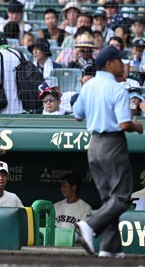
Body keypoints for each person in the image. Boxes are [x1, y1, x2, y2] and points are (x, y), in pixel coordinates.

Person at [73, 45, 143, 258]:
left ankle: (110, 248)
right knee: (121, 199)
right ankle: (90, 226)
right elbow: (123, 124)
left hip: (93, 145)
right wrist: (136, 126)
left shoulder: (89, 86)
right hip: (112, 144)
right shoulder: (117, 89)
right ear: (109, 64)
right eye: (120, 61)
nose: (123, 65)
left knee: (109, 200)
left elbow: (77, 114)